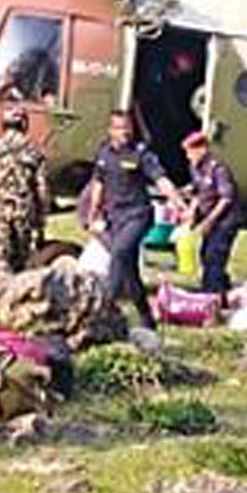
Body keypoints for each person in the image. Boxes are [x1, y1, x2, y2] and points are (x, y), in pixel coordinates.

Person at [80, 107, 173, 328]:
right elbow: (98, 184)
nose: (125, 132)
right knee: (129, 269)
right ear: (111, 130)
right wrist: (93, 212)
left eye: (128, 128)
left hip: (138, 215)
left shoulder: (141, 154)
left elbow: (161, 179)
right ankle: (146, 317)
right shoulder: (104, 154)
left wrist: (177, 199)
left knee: (119, 252)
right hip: (115, 217)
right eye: (120, 128)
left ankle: (104, 310)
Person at [0, 98, 53, 274]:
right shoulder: (35, 152)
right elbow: (42, 188)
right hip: (23, 213)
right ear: (24, 124)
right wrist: (42, 218)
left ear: (4, 124)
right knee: (20, 265)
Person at [180, 127, 241, 294]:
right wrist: (190, 206)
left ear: (202, 149)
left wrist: (209, 221)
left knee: (214, 256)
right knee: (206, 255)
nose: (188, 156)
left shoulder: (217, 169)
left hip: (224, 221)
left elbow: (226, 199)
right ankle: (222, 288)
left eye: (191, 151)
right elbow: (198, 190)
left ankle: (211, 293)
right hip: (211, 220)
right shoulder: (195, 168)